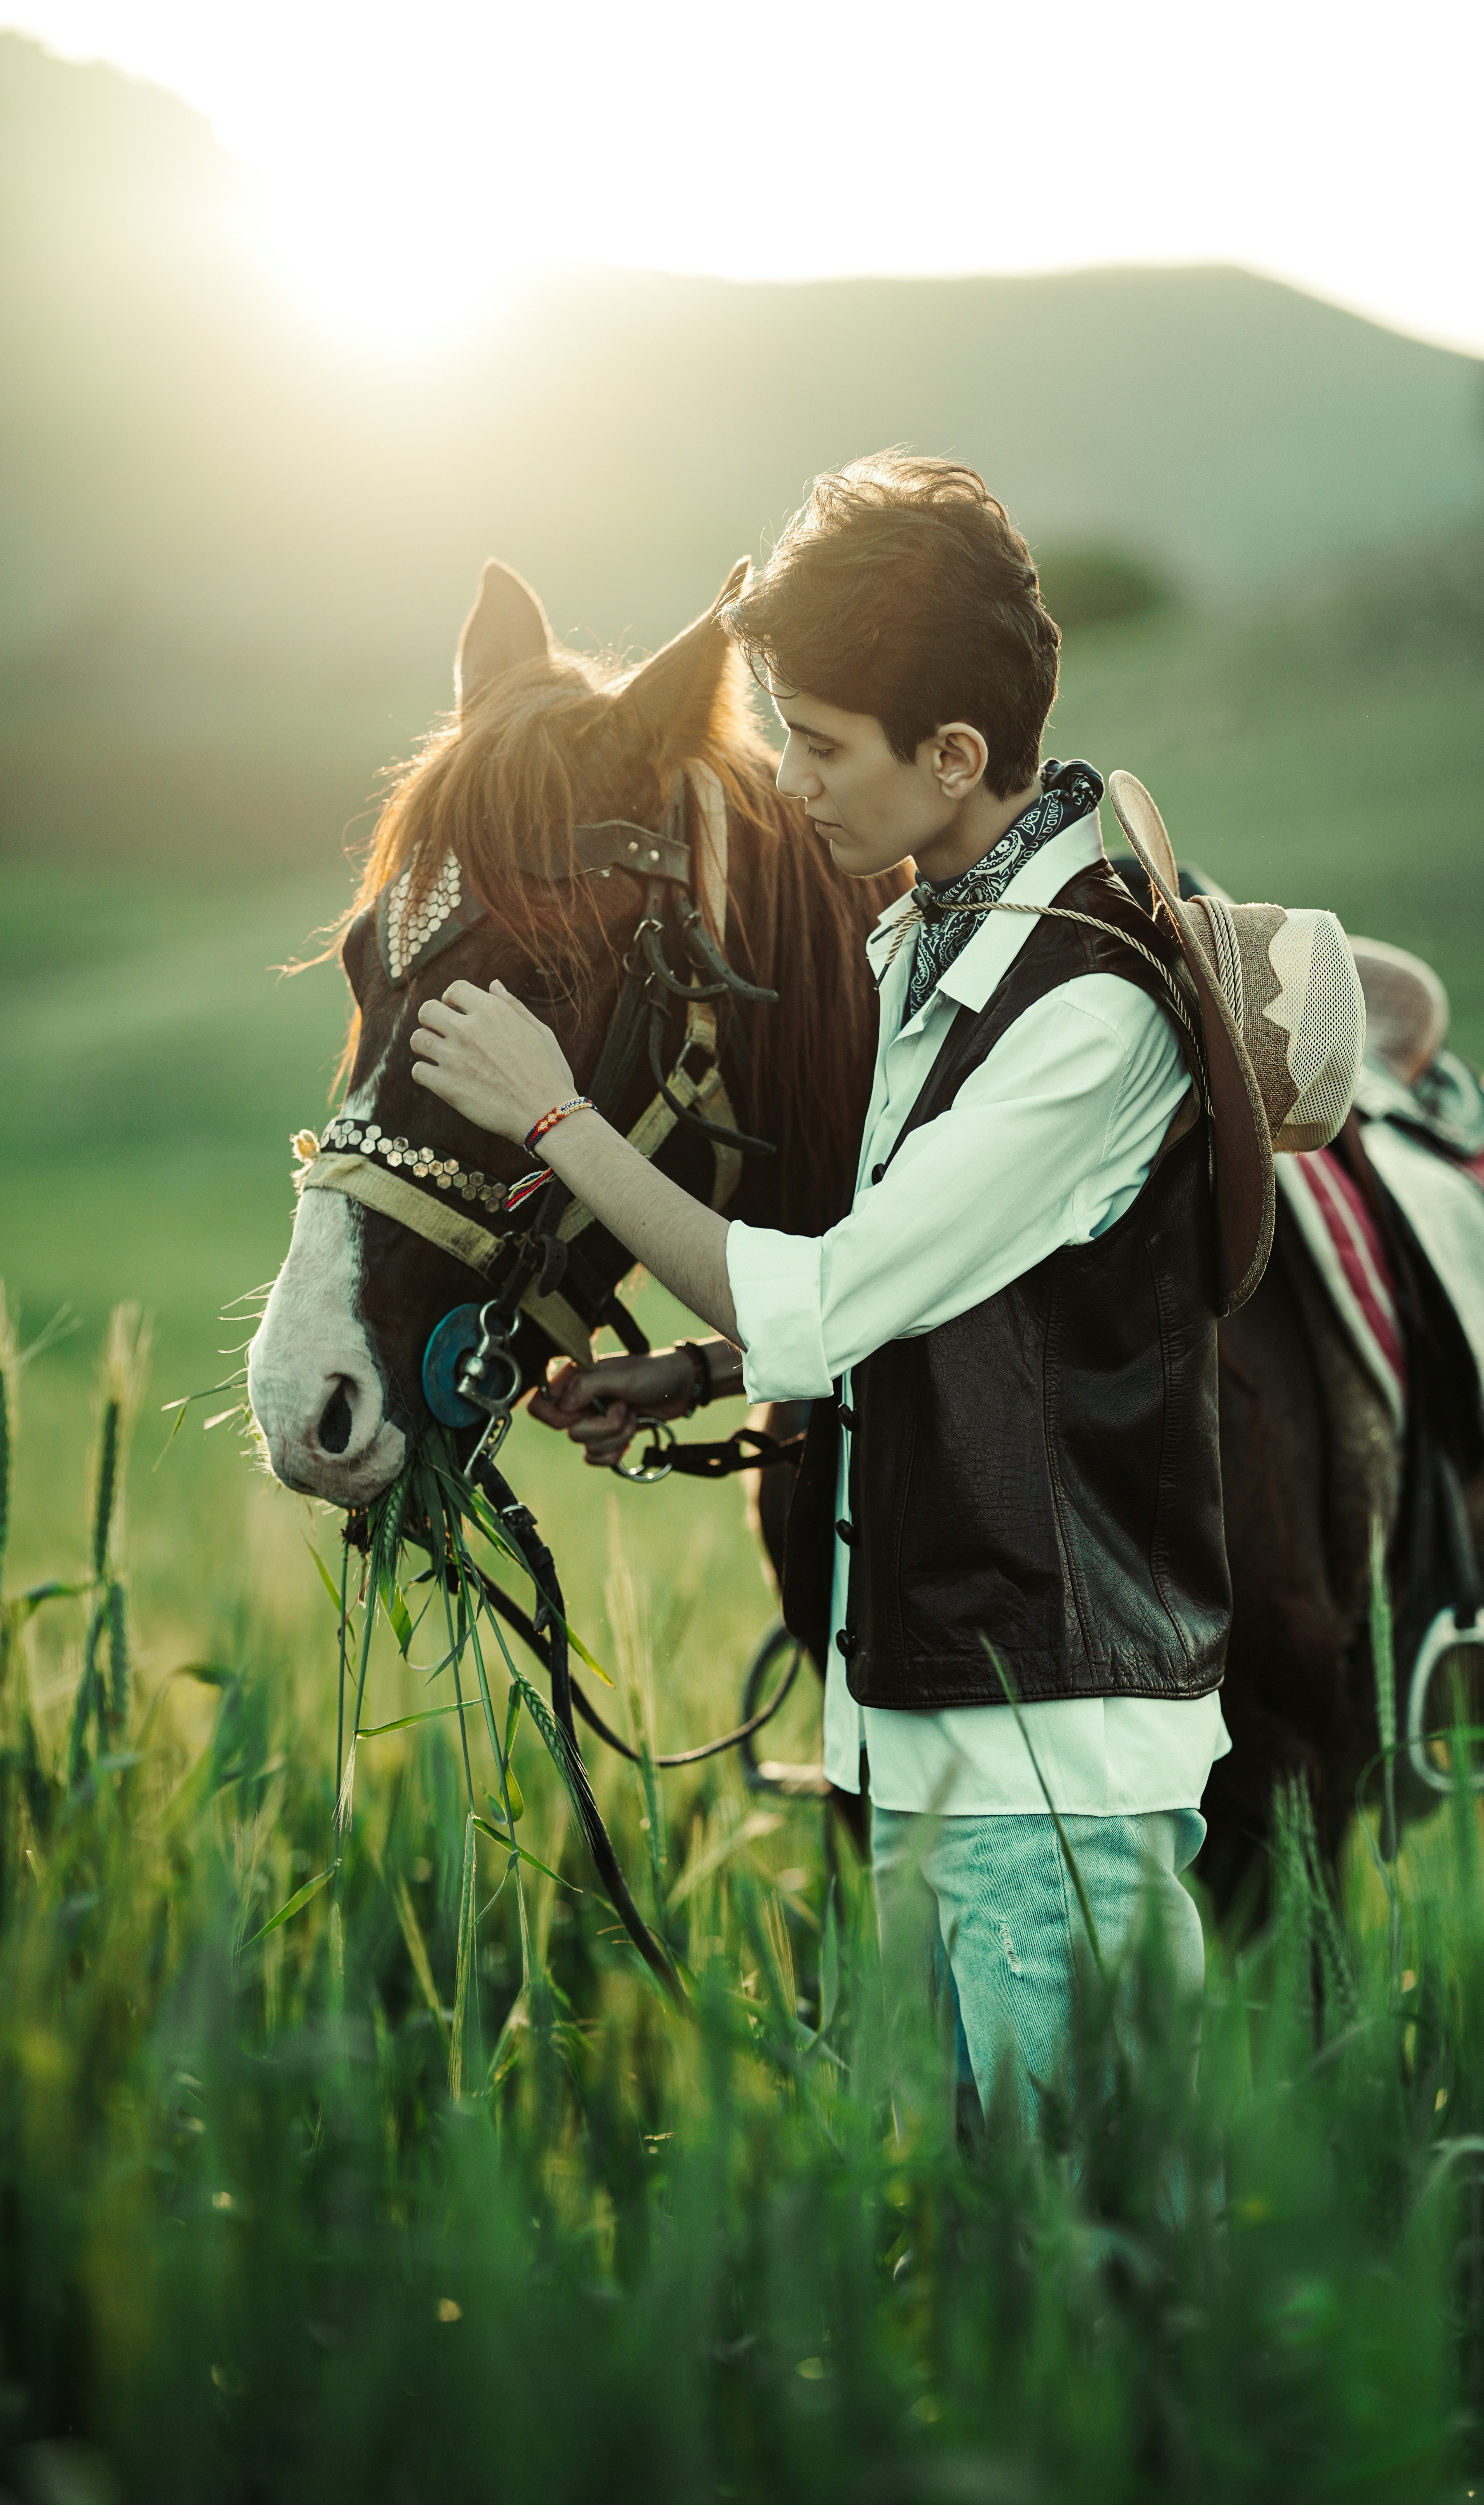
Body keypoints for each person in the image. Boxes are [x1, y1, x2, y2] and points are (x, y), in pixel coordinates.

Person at [409, 454, 1346, 2135]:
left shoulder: (1087, 1011)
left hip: (1048, 1758)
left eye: (821, 746)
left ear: (956, 759)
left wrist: (555, 1113)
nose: (791, 783)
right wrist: (700, 1372)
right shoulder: (937, 940)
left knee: (1093, 2255)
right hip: (934, 1725)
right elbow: (954, 1296)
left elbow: (840, 1296)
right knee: (988, 2268)